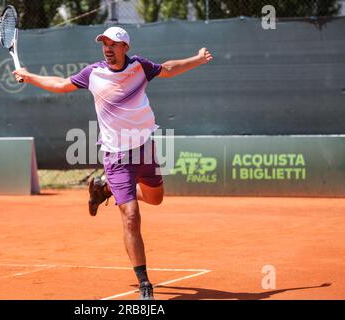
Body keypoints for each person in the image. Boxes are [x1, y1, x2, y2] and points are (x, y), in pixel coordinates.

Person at [13, 26, 213, 300]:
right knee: (131, 216)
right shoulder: (93, 73)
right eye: (104, 43)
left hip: (144, 149)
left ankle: (104, 189)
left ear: (125, 48)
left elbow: (168, 68)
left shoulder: (140, 67)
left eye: (113, 44)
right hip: (116, 156)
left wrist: (197, 59)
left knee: (156, 199)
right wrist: (29, 76)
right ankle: (144, 283)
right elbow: (61, 85)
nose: (107, 48)